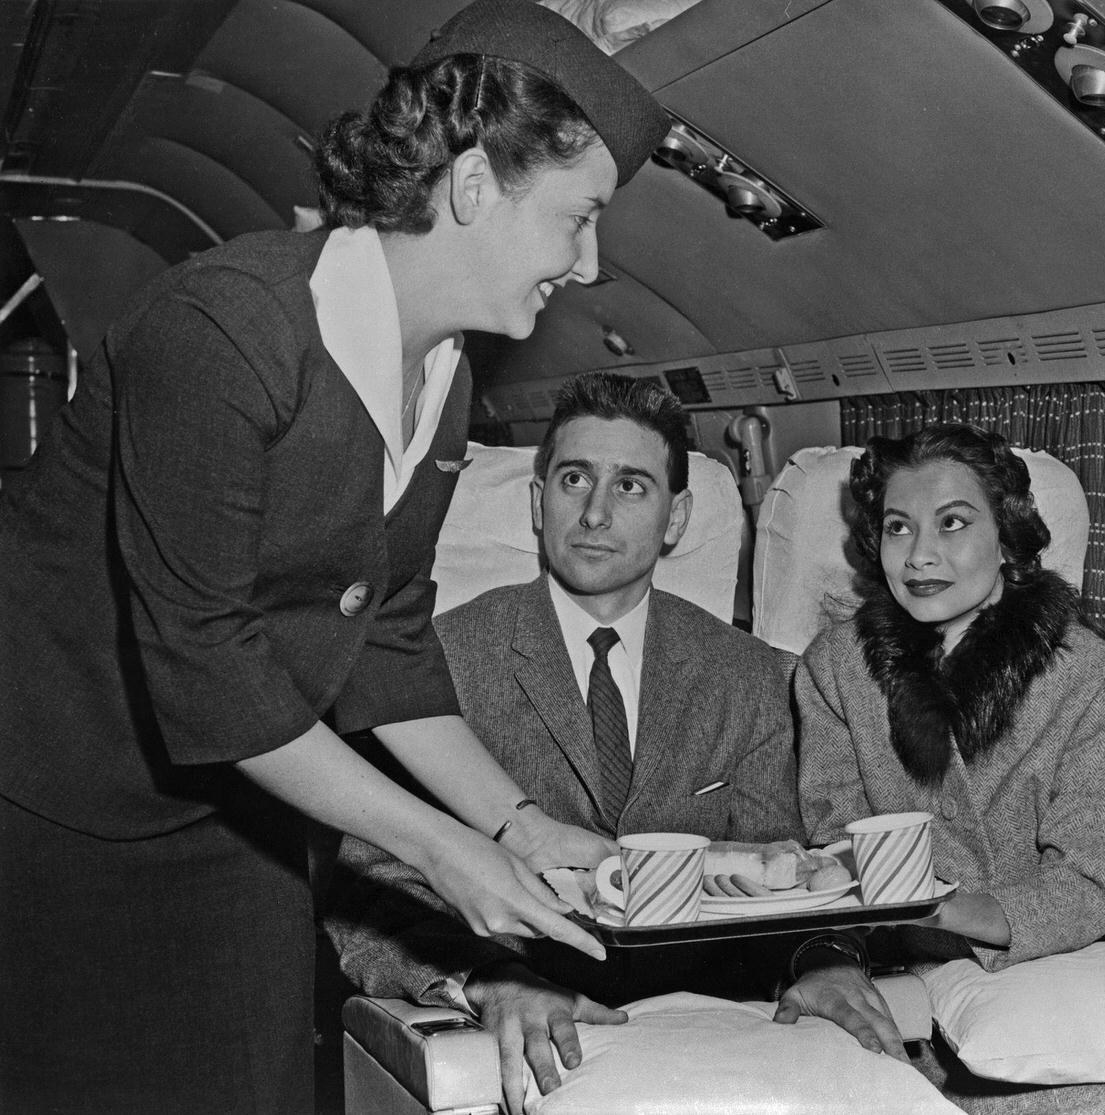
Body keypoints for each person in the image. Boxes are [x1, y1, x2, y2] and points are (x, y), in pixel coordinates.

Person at [0, 3, 672, 1112]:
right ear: (473, 186)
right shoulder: (225, 329)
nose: (590, 264)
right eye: (579, 217)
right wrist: (443, 849)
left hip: (241, 806)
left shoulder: (446, 374)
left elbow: (387, 634)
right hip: (51, 794)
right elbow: (207, 662)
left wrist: (521, 823)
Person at [327, 371, 802, 1115]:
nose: (595, 512)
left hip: (712, 1032)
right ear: (536, 500)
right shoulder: (431, 665)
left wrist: (825, 961)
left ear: (676, 519)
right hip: (530, 1032)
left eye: (631, 486)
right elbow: (365, 888)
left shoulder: (748, 674)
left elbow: (786, 876)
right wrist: (490, 979)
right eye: (575, 478)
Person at [771, 424, 1105, 1059]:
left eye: (952, 523)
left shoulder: (1100, 681)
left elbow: (1088, 887)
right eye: (898, 527)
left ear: (1006, 537)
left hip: (1057, 973)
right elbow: (835, 848)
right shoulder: (835, 669)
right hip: (896, 985)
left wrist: (938, 906)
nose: (919, 555)